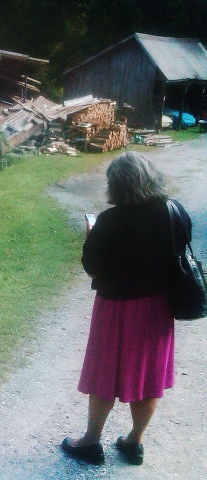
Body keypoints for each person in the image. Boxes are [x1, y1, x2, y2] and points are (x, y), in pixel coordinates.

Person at [61, 151, 192, 466]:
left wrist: (91, 236)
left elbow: (93, 268)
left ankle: (91, 442)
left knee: (105, 371)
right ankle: (135, 441)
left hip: (116, 308)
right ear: (151, 176)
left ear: (115, 185)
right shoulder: (174, 210)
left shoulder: (109, 220)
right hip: (158, 307)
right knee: (150, 374)